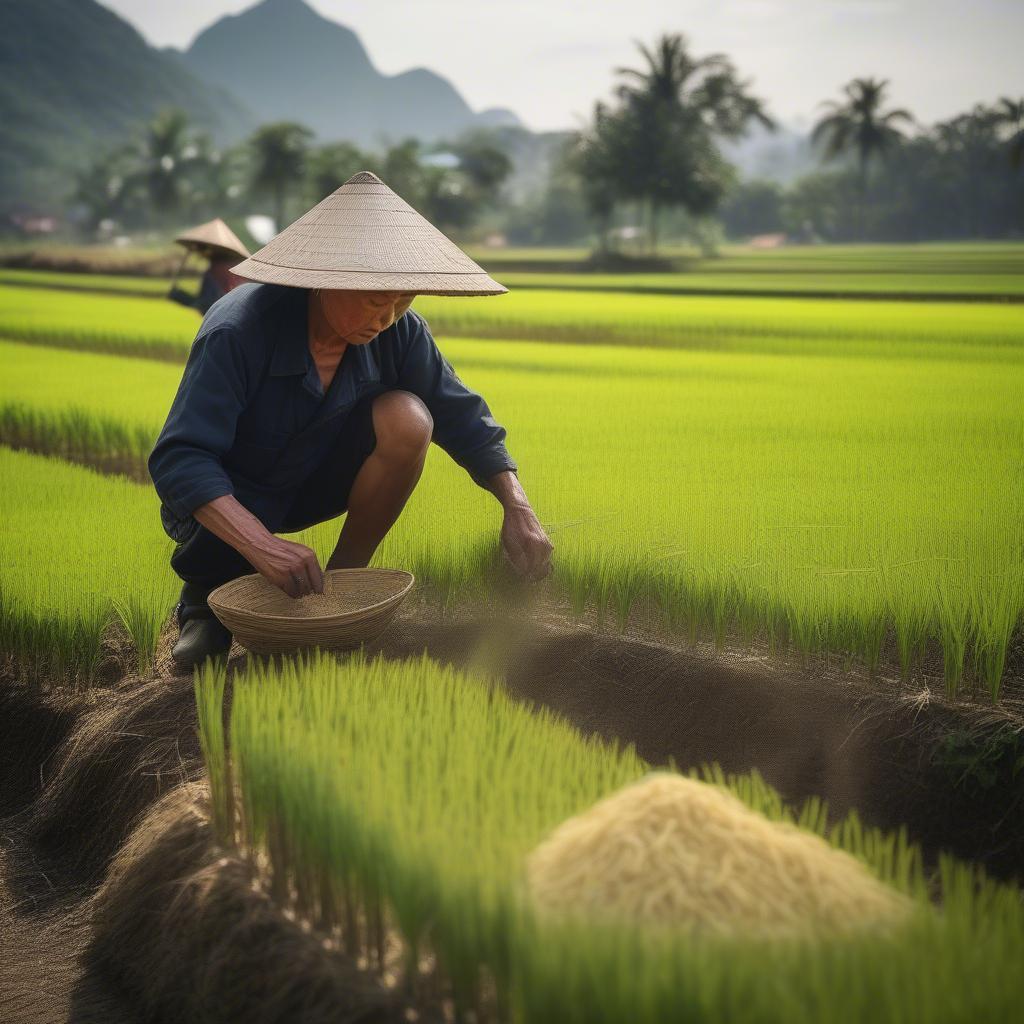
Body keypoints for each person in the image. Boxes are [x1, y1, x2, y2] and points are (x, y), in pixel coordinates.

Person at [148, 171, 554, 670]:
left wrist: (516, 504)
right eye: (373, 298)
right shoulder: (239, 331)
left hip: (315, 474)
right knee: (204, 643)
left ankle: (342, 587)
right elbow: (180, 457)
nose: (386, 316)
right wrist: (263, 545)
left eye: (402, 299)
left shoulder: (399, 330)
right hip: (236, 491)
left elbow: (459, 412)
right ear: (322, 282)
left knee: (410, 416)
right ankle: (203, 604)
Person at [166, 218, 251, 316]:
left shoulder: (216, 270)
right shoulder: (225, 268)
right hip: (223, 306)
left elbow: (208, 300)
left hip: (217, 307)